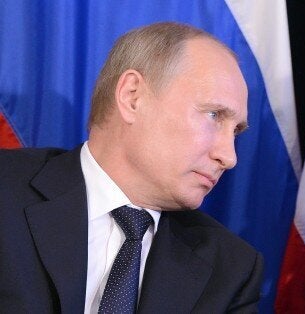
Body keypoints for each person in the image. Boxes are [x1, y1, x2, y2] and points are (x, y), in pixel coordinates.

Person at [0, 22, 263, 313]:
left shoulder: (230, 271)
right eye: (214, 115)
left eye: (235, 131)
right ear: (132, 97)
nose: (229, 157)